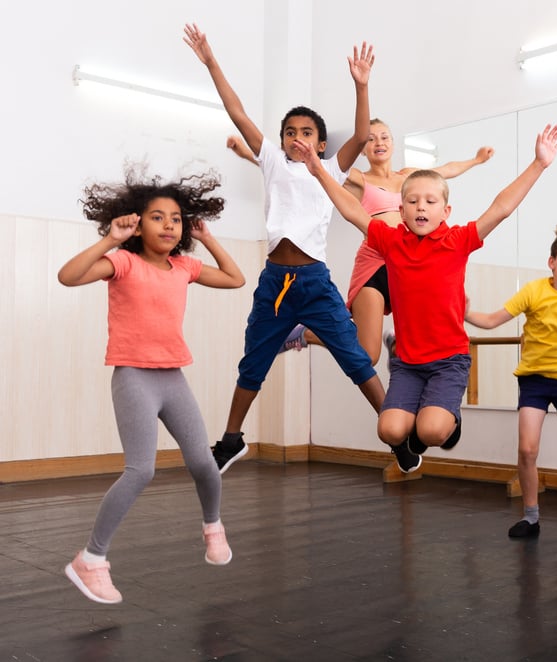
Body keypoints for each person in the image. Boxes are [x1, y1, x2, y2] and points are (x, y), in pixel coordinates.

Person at [295, 125, 557, 473]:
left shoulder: (458, 240)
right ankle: (424, 420)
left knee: (432, 430)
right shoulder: (391, 242)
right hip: (408, 363)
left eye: (430, 201)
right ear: (401, 211)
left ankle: (446, 418)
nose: (421, 207)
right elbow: (351, 210)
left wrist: (538, 165)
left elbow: (501, 207)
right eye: (412, 201)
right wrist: (318, 170)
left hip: (448, 361)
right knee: (389, 430)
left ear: (445, 211)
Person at [184, 24, 386, 472]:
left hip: (315, 281)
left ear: (320, 141)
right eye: (291, 132)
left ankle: (393, 428)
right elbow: (236, 112)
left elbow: (360, 135)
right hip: (275, 280)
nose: (299, 137)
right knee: (253, 361)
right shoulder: (272, 161)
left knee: (354, 357)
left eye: (307, 131)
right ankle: (232, 438)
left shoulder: (331, 167)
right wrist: (211, 62)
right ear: (281, 141)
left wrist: (361, 85)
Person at [58, 168, 246, 604]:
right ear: (137, 223)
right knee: (141, 470)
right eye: (157, 217)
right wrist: (109, 239)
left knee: (204, 462)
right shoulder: (123, 262)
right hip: (134, 376)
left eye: (176, 218)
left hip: (173, 377)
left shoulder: (185, 266)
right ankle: (91, 558)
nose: (168, 225)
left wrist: (209, 239)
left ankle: (213, 526)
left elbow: (235, 279)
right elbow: (68, 277)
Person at [229, 123, 495, 360]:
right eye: (371, 139)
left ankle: (396, 340)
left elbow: (446, 170)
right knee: (369, 355)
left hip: (407, 261)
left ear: (393, 143)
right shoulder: (358, 178)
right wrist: (248, 155)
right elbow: (298, 174)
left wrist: (475, 160)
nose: (379, 142)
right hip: (375, 261)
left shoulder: (410, 177)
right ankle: (304, 335)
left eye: (385, 137)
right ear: (364, 149)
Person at [465, 230, 557, 543]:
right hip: (534, 380)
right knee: (527, 449)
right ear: (552, 262)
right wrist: (464, 312)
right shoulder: (533, 290)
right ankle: (530, 516)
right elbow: (491, 320)